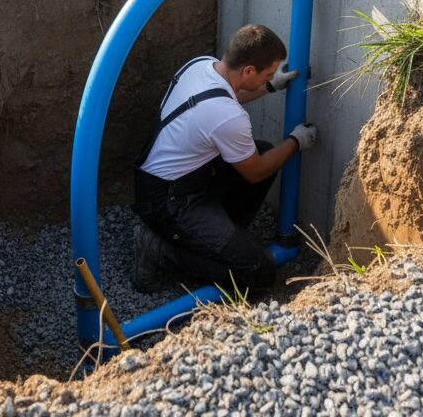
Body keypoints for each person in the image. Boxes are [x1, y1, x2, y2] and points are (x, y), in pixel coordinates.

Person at [132, 23, 318, 294]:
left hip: (162, 179)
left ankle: (214, 242)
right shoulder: (229, 117)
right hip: (168, 201)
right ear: (248, 71)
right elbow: (255, 172)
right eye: (267, 74)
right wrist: (296, 141)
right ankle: (160, 250)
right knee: (258, 274)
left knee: (264, 150)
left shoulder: (201, 65)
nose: (269, 77)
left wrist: (270, 86)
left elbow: (228, 96)